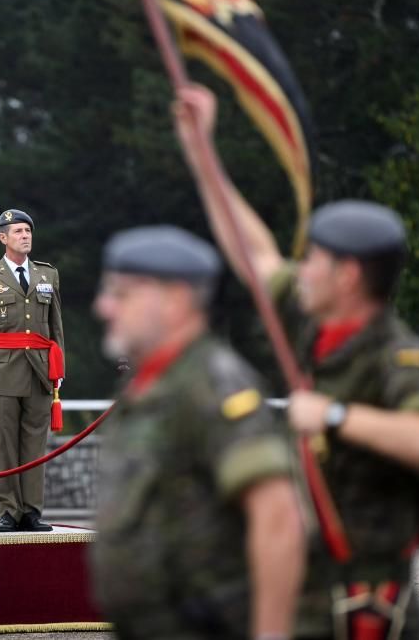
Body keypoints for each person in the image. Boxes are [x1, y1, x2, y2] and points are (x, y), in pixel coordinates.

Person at [174, 83, 419, 638]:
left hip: (370, 608)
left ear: (347, 276)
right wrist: (200, 152)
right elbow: (254, 255)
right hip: (309, 592)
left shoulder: (396, 355)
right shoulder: (316, 323)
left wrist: (334, 416)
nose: (300, 270)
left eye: (314, 260)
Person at [91, 226, 306, 640]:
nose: (104, 307)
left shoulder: (214, 384)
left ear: (174, 301)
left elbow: (278, 517)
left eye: (121, 294)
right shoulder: (150, 384)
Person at [0, 209, 64, 533]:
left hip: (38, 371)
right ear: (2, 238)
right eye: (18, 231)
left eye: (28, 231)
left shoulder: (47, 275)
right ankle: (9, 510)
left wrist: (57, 367)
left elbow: (55, 327)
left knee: (34, 444)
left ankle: (32, 511)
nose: (25, 236)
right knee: (4, 445)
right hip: (1, 372)